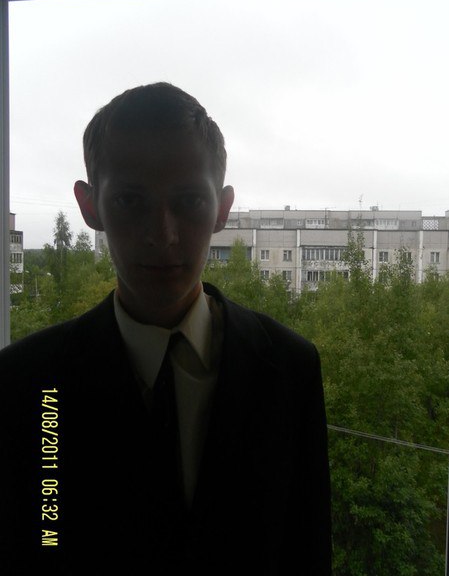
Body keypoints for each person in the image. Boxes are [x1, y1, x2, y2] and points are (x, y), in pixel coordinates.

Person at [0, 82, 332, 574]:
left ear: (222, 210)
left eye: (189, 201)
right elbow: (36, 540)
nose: (162, 234)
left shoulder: (290, 370)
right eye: (131, 201)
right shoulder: (25, 385)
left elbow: (305, 550)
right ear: (90, 207)